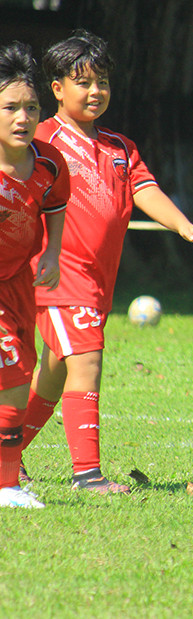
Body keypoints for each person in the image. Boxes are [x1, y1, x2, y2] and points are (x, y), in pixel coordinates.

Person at [18, 30, 193, 495]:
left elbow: (144, 188)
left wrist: (183, 225)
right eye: (82, 82)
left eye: (102, 81)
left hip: (98, 281)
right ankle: (87, 474)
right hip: (57, 276)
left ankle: (7, 450)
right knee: (86, 361)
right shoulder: (41, 141)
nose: (95, 91)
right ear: (57, 89)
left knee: (56, 369)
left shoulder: (120, 147)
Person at [0, 42, 69, 509]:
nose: (23, 118)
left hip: (19, 282)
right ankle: (5, 486)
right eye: (10, 107)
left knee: (21, 371)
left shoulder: (47, 163)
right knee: (14, 374)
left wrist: (53, 252)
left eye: (31, 108)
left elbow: (56, 204)